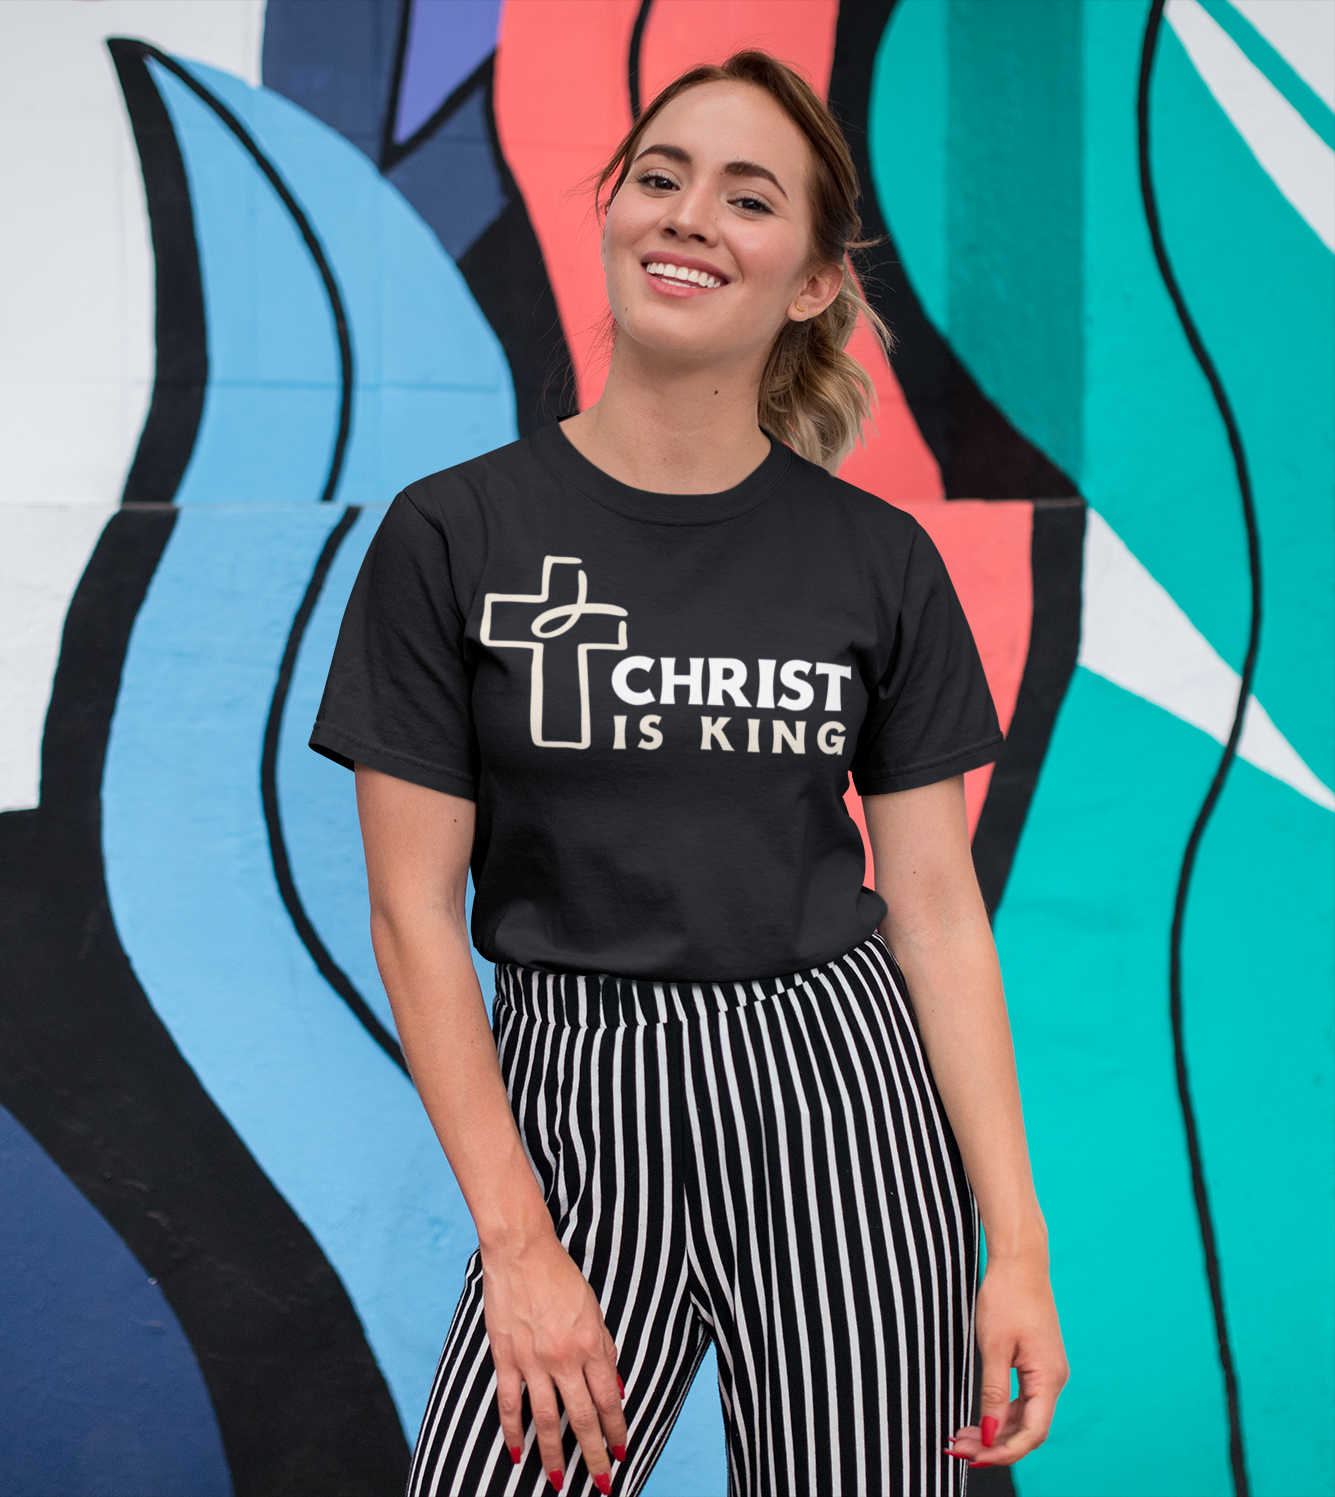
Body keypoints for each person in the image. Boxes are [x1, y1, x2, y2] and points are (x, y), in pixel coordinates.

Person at [310, 49, 1068, 1497]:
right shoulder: (454, 536)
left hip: (843, 1101)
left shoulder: (875, 563)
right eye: (660, 177)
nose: (690, 216)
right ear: (608, 214)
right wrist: (518, 1247)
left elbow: (936, 912)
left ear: (806, 286)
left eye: (748, 196)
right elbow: (412, 919)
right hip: (578, 1105)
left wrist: (1014, 1242)